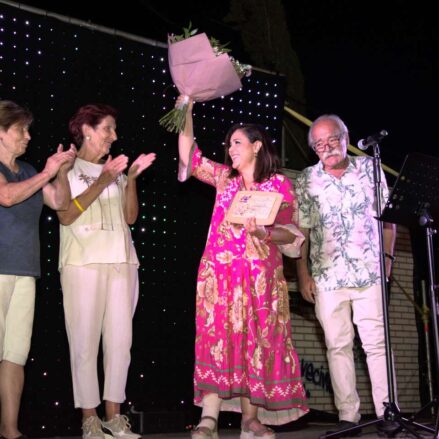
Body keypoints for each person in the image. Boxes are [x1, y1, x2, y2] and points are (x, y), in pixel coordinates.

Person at [176, 95, 309, 439]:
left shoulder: (279, 185)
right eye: (229, 144)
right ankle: (209, 418)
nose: (230, 149)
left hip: (261, 282)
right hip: (219, 277)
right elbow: (188, 155)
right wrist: (186, 109)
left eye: (237, 143)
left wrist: (264, 231)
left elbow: (290, 235)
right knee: (217, 338)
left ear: (257, 146)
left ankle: (250, 419)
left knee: (256, 343)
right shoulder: (224, 180)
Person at [57, 104, 156, 439]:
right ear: (87, 129)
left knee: (120, 342)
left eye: (114, 130)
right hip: (83, 262)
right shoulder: (66, 166)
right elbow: (66, 215)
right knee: (84, 342)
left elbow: (130, 217)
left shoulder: (114, 170)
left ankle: (114, 416)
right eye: (107, 129)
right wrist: (103, 180)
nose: (114, 136)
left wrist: (131, 181)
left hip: (122, 262)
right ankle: (89, 419)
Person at [295, 114, 397, 437]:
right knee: (337, 345)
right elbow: (302, 232)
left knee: (377, 344)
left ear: (345, 137)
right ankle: (348, 416)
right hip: (326, 277)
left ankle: (388, 412)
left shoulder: (369, 168)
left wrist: (388, 263)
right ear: (315, 149)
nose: (327, 148)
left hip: (369, 272)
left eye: (333, 140)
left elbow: (388, 222)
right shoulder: (307, 179)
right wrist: (303, 274)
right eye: (320, 144)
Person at [0, 100, 76, 439]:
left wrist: (59, 171)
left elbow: (59, 202)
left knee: (15, 355)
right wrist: (47, 171)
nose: (28, 136)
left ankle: (11, 430)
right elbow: (7, 197)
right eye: (21, 130)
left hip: (25, 272)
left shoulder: (29, 170)